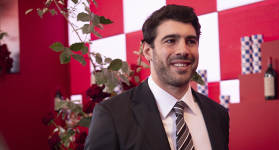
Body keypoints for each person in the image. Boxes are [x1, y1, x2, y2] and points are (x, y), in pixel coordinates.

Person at [84, 4, 229, 150]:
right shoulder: (113, 115)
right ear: (147, 51)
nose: (183, 50)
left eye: (191, 41)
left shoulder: (218, 114)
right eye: (170, 41)